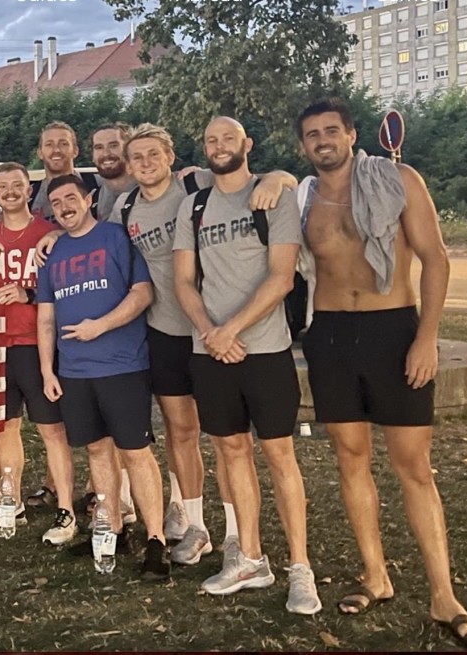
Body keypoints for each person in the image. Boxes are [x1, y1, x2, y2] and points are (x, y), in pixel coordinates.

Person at [296, 97, 467, 648]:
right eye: (312, 135)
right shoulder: (304, 198)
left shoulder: (399, 178)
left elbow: (436, 258)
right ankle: (375, 576)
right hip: (330, 336)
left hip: (392, 330)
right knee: (351, 459)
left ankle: (443, 594)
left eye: (331, 130)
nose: (323, 141)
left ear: (352, 134)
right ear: (303, 146)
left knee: (414, 467)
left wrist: (425, 338)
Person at [108, 124, 298, 565]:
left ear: (170, 157)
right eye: (137, 157)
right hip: (166, 332)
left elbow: (261, 180)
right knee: (181, 431)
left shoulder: (197, 185)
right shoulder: (125, 206)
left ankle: (237, 533)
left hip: (217, 332)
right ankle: (195, 524)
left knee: (225, 440)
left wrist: (278, 178)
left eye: (154, 154)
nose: (146, 162)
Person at [170, 116, 320, 615]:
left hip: (264, 350)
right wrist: (211, 333)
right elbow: (184, 283)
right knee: (232, 451)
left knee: (280, 457)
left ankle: (300, 567)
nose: (219, 146)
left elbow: (281, 279)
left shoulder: (271, 194)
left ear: (247, 144)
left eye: (228, 138)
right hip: (210, 351)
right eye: (210, 139)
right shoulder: (193, 206)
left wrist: (230, 330)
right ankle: (251, 558)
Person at [35, 174, 169, 580]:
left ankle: (156, 541)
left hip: (122, 364)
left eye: (70, 198)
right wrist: (47, 369)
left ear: (88, 199)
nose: (64, 207)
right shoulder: (52, 255)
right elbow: (45, 317)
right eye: (56, 203)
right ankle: (111, 527)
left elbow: (142, 294)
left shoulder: (115, 238)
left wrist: (102, 325)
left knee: (135, 452)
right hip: (74, 371)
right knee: (95, 450)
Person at [0, 162, 73, 544]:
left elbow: (66, 288)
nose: (11, 191)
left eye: (18, 185)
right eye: (3, 186)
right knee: (6, 427)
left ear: (30, 191)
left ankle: (65, 508)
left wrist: (26, 293)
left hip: (37, 344)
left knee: (51, 429)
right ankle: (9, 501)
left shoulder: (49, 234)